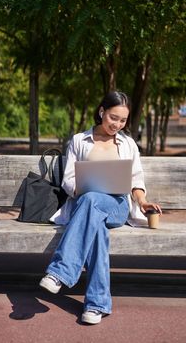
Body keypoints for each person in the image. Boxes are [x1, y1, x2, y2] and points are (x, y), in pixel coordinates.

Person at [39, 91, 162, 324]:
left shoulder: (128, 144)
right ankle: (97, 305)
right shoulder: (79, 140)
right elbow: (68, 180)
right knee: (94, 222)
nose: (117, 124)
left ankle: (59, 272)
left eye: (123, 120)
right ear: (102, 111)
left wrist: (143, 202)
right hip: (85, 205)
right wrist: (83, 188)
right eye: (113, 117)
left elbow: (136, 181)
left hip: (116, 206)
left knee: (92, 202)